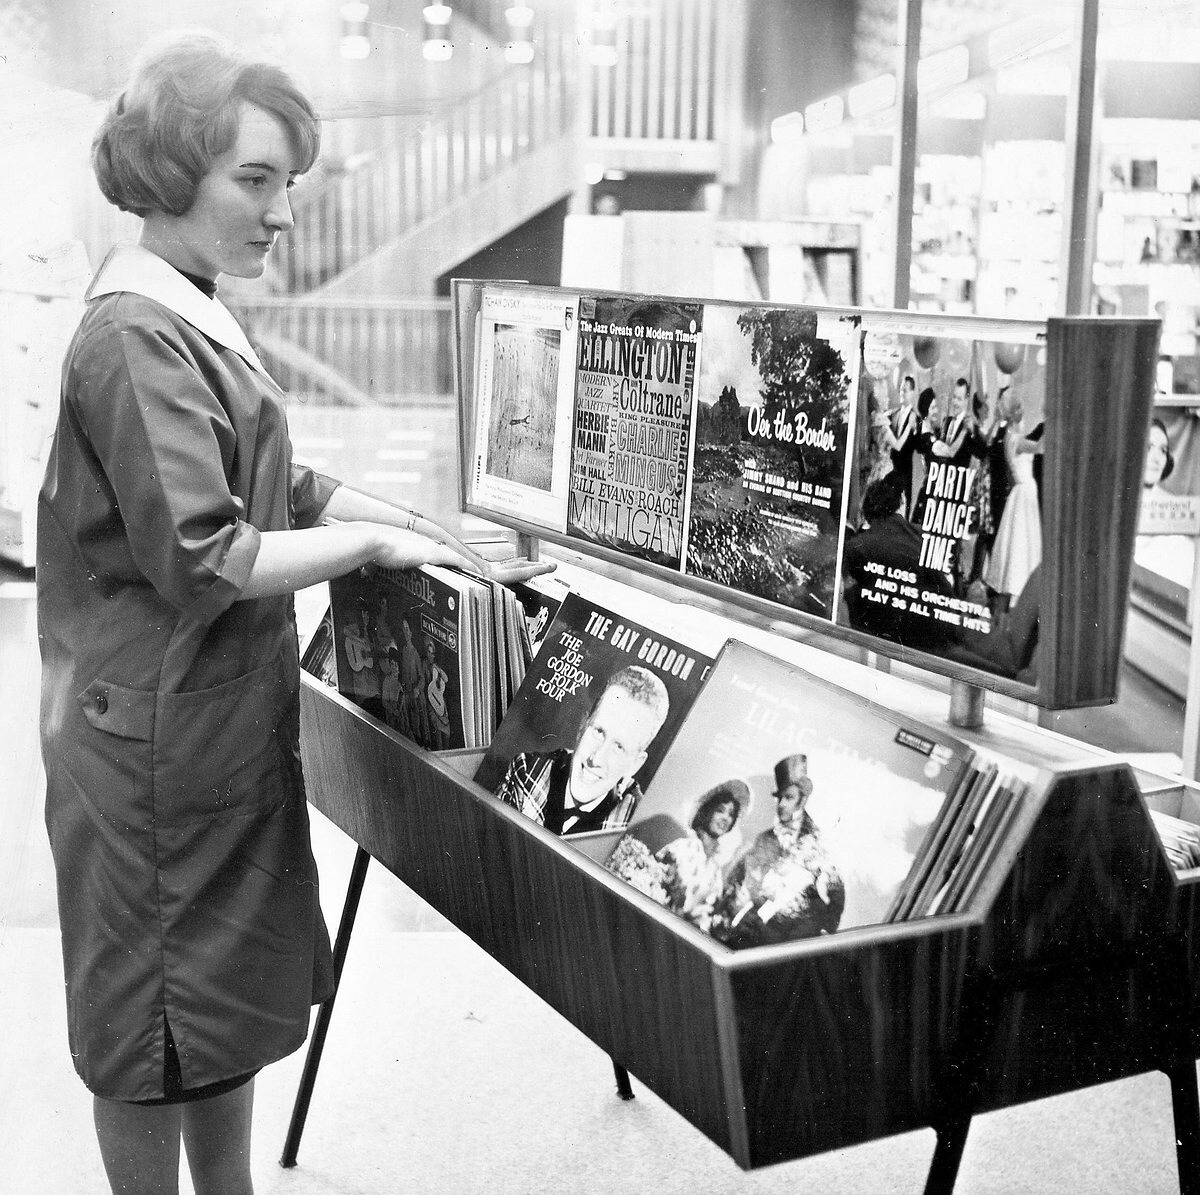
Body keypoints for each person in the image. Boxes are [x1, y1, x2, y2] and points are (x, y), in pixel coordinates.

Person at [37, 32, 550, 1195]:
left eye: (287, 183)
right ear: (171, 176)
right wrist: (369, 544)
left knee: (214, 1009)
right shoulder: (133, 336)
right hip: (150, 743)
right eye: (255, 180)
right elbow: (206, 552)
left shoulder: (188, 310)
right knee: (148, 1025)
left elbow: (276, 481)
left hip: (204, 724)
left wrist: (402, 520)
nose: (281, 213)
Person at [496, 665, 670, 835]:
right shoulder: (528, 771)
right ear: (582, 726)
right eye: (598, 732)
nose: (596, 759)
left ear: (634, 765)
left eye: (619, 747)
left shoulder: (634, 827)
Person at [711, 755, 845, 949]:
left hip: (789, 943)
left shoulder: (818, 844)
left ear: (802, 800)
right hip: (750, 933)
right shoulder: (765, 838)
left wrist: (815, 937)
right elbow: (740, 878)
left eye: (789, 797)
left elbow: (836, 899)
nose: (781, 804)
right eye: (780, 798)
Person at [841, 472, 955, 651]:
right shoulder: (923, 536)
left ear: (868, 512)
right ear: (900, 503)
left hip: (882, 637)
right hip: (932, 639)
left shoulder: (857, 546)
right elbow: (947, 592)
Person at [654, 780, 749, 932]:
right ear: (708, 812)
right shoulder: (682, 848)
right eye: (720, 810)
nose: (725, 818)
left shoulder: (715, 870)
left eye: (731, 814)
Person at [983, 399, 1043, 615]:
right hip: (1025, 495)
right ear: (1019, 417)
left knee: (1017, 549)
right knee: (1021, 550)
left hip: (1021, 493)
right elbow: (1039, 447)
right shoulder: (1016, 439)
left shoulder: (1009, 437)